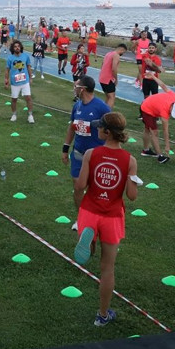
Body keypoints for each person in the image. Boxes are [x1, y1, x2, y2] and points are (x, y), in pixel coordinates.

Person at [72, 112, 139, 327]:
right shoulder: (130, 160)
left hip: (90, 211)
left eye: (99, 127)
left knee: (90, 243)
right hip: (112, 216)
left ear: (107, 132)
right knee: (107, 268)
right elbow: (131, 196)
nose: (96, 129)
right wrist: (132, 179)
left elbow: (80, 186)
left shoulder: (92, 153)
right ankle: (102, 315)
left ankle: (89, 242)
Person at [62, 75, 112, 232]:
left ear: (82, 89)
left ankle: (97, 220)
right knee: (78, 187)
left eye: (76, 86)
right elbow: (72, 127)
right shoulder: (76, 106)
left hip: (97, 156)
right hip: (78, 153)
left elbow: (112, 130)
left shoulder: (102, 108)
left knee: (95, 190)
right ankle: (81, 218)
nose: (74, 88)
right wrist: (65, 148)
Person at [139, 76, 175, 164]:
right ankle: (160, 156)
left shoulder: (174, 96)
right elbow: (165, 131)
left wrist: (153, 77)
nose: (171, 114)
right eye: (172, 112)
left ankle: (145, 150)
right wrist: (167, 146)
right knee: (154, 132)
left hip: (151, 105)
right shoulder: (164, 111)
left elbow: (163, 85)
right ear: (172, 107)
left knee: (147, 129)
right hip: (146, 109)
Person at [4, 40, 34, 123]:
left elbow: (28, 67)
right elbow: (7, 70)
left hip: (25, 81)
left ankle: (30, 115)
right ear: (13, 48)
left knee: (28, 98)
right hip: (15, 82)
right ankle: (14, 114)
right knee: (14, 99)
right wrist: (6, 80)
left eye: (18, 46)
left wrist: (31, 78)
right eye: (15, 46)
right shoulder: (10, 58)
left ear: (20, 47)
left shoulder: (25, 56)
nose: (17, 48)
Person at [98, 44, 126, 109]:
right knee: (112, 97)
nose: (123, 54)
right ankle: (108, 114)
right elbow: (114, 68)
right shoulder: (116, 55)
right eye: (123, 52)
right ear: (122, 50)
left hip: (102, 78)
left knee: (108, 96)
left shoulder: (108, 53)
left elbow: (102, 64)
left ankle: (103, 112)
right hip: (108, 79)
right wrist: (116, 79)